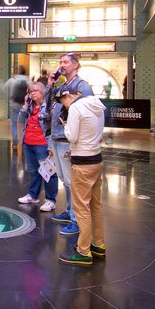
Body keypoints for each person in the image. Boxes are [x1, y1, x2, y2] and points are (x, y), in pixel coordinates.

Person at [55, 87, 107, 267]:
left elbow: (72, 137)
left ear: (68, 96)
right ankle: (98, 245)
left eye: (63, 102)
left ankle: (83, 251)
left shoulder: (76, 108)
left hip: (82, 164)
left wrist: (66, 125)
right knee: (95, 205)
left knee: (81, 207)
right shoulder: (97, 105)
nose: (65, 106)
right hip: (97, 160)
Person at [43, 53, 93, 235]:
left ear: (76, 65)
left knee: (73, 182)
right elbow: (48, 107)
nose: (61, 65)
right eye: (60, 62)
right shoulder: (62, 86)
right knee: (65, 180)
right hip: (56, 138)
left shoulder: (82, 86)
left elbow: (89, 111)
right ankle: (70, 210)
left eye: (65, 62)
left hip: (69, 140)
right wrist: (50, 86)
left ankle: (76, 218)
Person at [17, 82, 59, 212]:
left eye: (35, 91)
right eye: (30, 91)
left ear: (43, 91)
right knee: (33, 171)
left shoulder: (49, 107)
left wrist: (51, 145)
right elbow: (19, 119)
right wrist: (25, 105)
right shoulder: (30, 107)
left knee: (48, 172)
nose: (32, 93)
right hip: (28, 143)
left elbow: (54, 126)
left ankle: (50, 200)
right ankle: (33, 195)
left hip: (42, 144)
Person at [3, 66, 30, 149]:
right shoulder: (28, 81)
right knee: (25, 124)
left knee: (14, 123)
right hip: (24, 105)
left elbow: (3, 88)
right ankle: (23, 141)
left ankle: (15, 143)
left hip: (14, 104)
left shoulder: (12, 80)